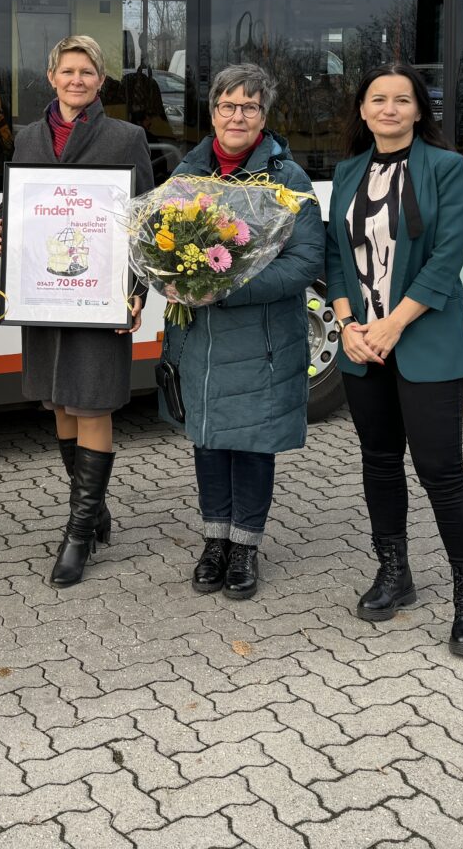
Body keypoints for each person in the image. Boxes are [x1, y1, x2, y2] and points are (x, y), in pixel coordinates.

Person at [324, 62, 463, 656]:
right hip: (361, 346)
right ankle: (395, 573)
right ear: (363, 111)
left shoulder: (446, 168)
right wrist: (348, 325)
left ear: (420, 110)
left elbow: (447, 256)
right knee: (379, 462)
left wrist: (392, 326)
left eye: (401, 100)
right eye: (377, 100)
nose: (389, 109)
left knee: (442, 474)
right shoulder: (346, 173)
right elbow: (334, 257)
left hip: (420, 342)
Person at [0, 35, 153, 588]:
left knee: (93, 403)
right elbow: (20, 209)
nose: (76, 80)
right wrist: (3, 236)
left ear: (100, 80)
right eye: (67, 71)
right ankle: (95, 506)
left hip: (99, 295)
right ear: (51, 76)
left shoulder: (127, 138)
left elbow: (144, 227)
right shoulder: (29, 135)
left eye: (87, 71)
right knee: (59, 401)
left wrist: (136, 292)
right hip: (45, 295)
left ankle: (78, 532)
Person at [161, 64, 324, 600]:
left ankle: (246, 546)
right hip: (200, 337)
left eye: (249, 107)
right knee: (208, 439)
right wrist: (164, 277)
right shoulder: (186, 175)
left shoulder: (287, 179)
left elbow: (304, 261)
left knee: (252, 442)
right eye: (228, 106)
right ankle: (214, 541)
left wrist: (227, 287)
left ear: (264, 116)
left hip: (262, 337)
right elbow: (155, 244)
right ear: (212, 112)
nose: (238, 116)